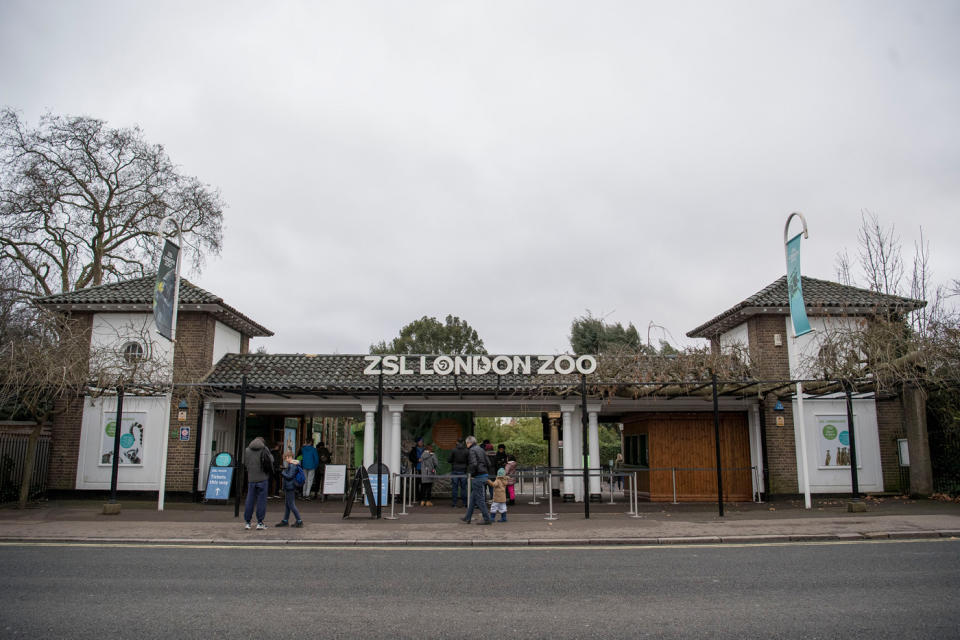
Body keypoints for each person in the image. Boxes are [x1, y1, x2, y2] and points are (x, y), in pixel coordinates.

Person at [243, 436, 273, 530]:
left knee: (249, 501)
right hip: (263, 478)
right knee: (261, 502)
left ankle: (247, 523)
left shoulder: (247, 450)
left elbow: (245, 463)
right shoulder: (265, 449)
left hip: (251, 479)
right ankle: (260, 523)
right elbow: (271, 460)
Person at [461, 435, 492, 525]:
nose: (466, 445)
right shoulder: (481, 449)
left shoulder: (472, 450)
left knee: (480, 500)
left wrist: (472, 474)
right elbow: (489, 463)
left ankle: (487, 519)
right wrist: (485, 473)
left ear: (469, 443)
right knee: (473, 498)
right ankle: (468, 517)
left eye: (467, 443)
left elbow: (474, 464)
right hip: (484, 475)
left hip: (477, 477)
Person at [276, 452, 304, 528]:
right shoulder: (292, 464)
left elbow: (290, 476)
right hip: (289, 486)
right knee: (288, 505)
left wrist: (282, 472)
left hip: (290, 487)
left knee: (291, 504)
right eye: (285, 458)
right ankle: (285, 520)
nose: (285, 460)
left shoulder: (292, 465)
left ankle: (299, 521)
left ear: (290, 457)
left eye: (286, 458)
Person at [448, 439, 469, 508]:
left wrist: (454, 462)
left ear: (457, 442)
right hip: (463, 471)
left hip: (455, 470)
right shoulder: (466, 450)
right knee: (464, 488)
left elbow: (449, 460)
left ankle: (454, 504)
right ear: (463, 442)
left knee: (455, 488)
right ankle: (465, 503)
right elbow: (469, 461)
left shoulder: (453, 450)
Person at [407, 437, 425, 502]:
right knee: (416, 484)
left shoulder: (425, 449)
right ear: (417, 442)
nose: (421, 443)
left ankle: (423, 497)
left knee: (424, 483)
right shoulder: (414, 450)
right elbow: (411, 458)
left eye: (422, 441)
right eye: (420, 441)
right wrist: (417, 460)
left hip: (424, 469)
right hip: (416, 469)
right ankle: (416, 497)